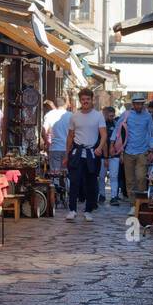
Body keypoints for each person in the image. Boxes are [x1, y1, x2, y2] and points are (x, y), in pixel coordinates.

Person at [65, 88, 106, 222]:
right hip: (77, 153)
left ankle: (88, 210)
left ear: (91, 100)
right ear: (80, 100)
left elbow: (104, 134)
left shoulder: (98, 116)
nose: (85, 102)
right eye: (83, 99)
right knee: (74, 182)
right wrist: (67, 155)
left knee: (91, 183)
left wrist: (99, 148)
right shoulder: (74, 116)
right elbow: (70, 137)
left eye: (88, 99)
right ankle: (72, 210)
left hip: (92, 153)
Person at [113, 93, 153, 199]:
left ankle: (140, 202)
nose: (139, 106)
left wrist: (151, 148)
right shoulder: (126, 114)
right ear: (133, 104)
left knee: (141, 178)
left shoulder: (148, 116)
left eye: (141, 104)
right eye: (137, 104)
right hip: (128, 151)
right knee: (130, 179)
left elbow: (151, 133)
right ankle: (132, 203)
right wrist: (112, 144)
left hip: (143, 151)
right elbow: (117, 129)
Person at [43, 96, 72, 173]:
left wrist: (48, 143)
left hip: (54, 148)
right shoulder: (71, 115)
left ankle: (56, 184)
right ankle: (66, 185)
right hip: (67, 149)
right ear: (65, 104)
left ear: (55, 104)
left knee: (55, 173)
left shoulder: (49, 115)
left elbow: (43, 132)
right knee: (66, 173)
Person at [98, 105, 121, 206]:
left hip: (114, 155)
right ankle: (102, 194)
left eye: (113, 115)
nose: (112, 118)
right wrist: (106, 157)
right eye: (110, 116)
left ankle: (113, 196)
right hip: (103, 156)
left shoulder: (116, 125)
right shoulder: (101, 126)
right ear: (105, 114)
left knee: (114, 176)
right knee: (102, 177)